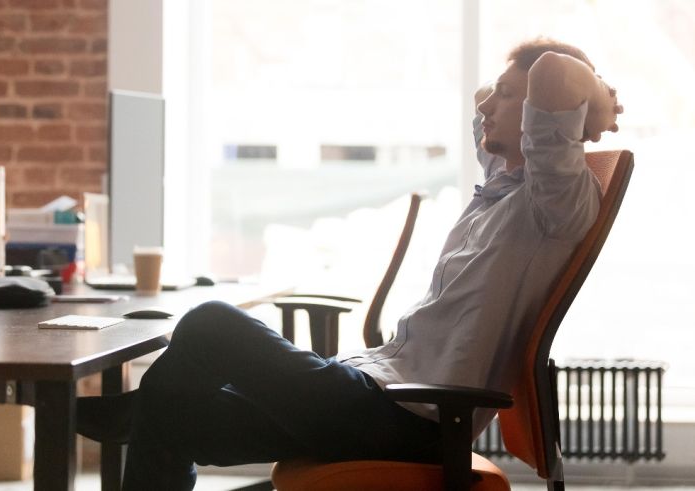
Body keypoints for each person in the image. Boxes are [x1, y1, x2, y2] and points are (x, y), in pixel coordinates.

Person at [77, 38, 623, 490]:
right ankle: (142, 409)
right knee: (172, 417)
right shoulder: (504, 187)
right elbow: (497, 92)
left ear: (542, 121)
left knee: (209, 323)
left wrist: (595, 98)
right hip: (378, 393)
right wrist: (507, 88)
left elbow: (552, 72)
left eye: (507, 98)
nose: (484, 108)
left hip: (412, 423)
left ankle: (128, 409)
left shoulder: (553, 202)